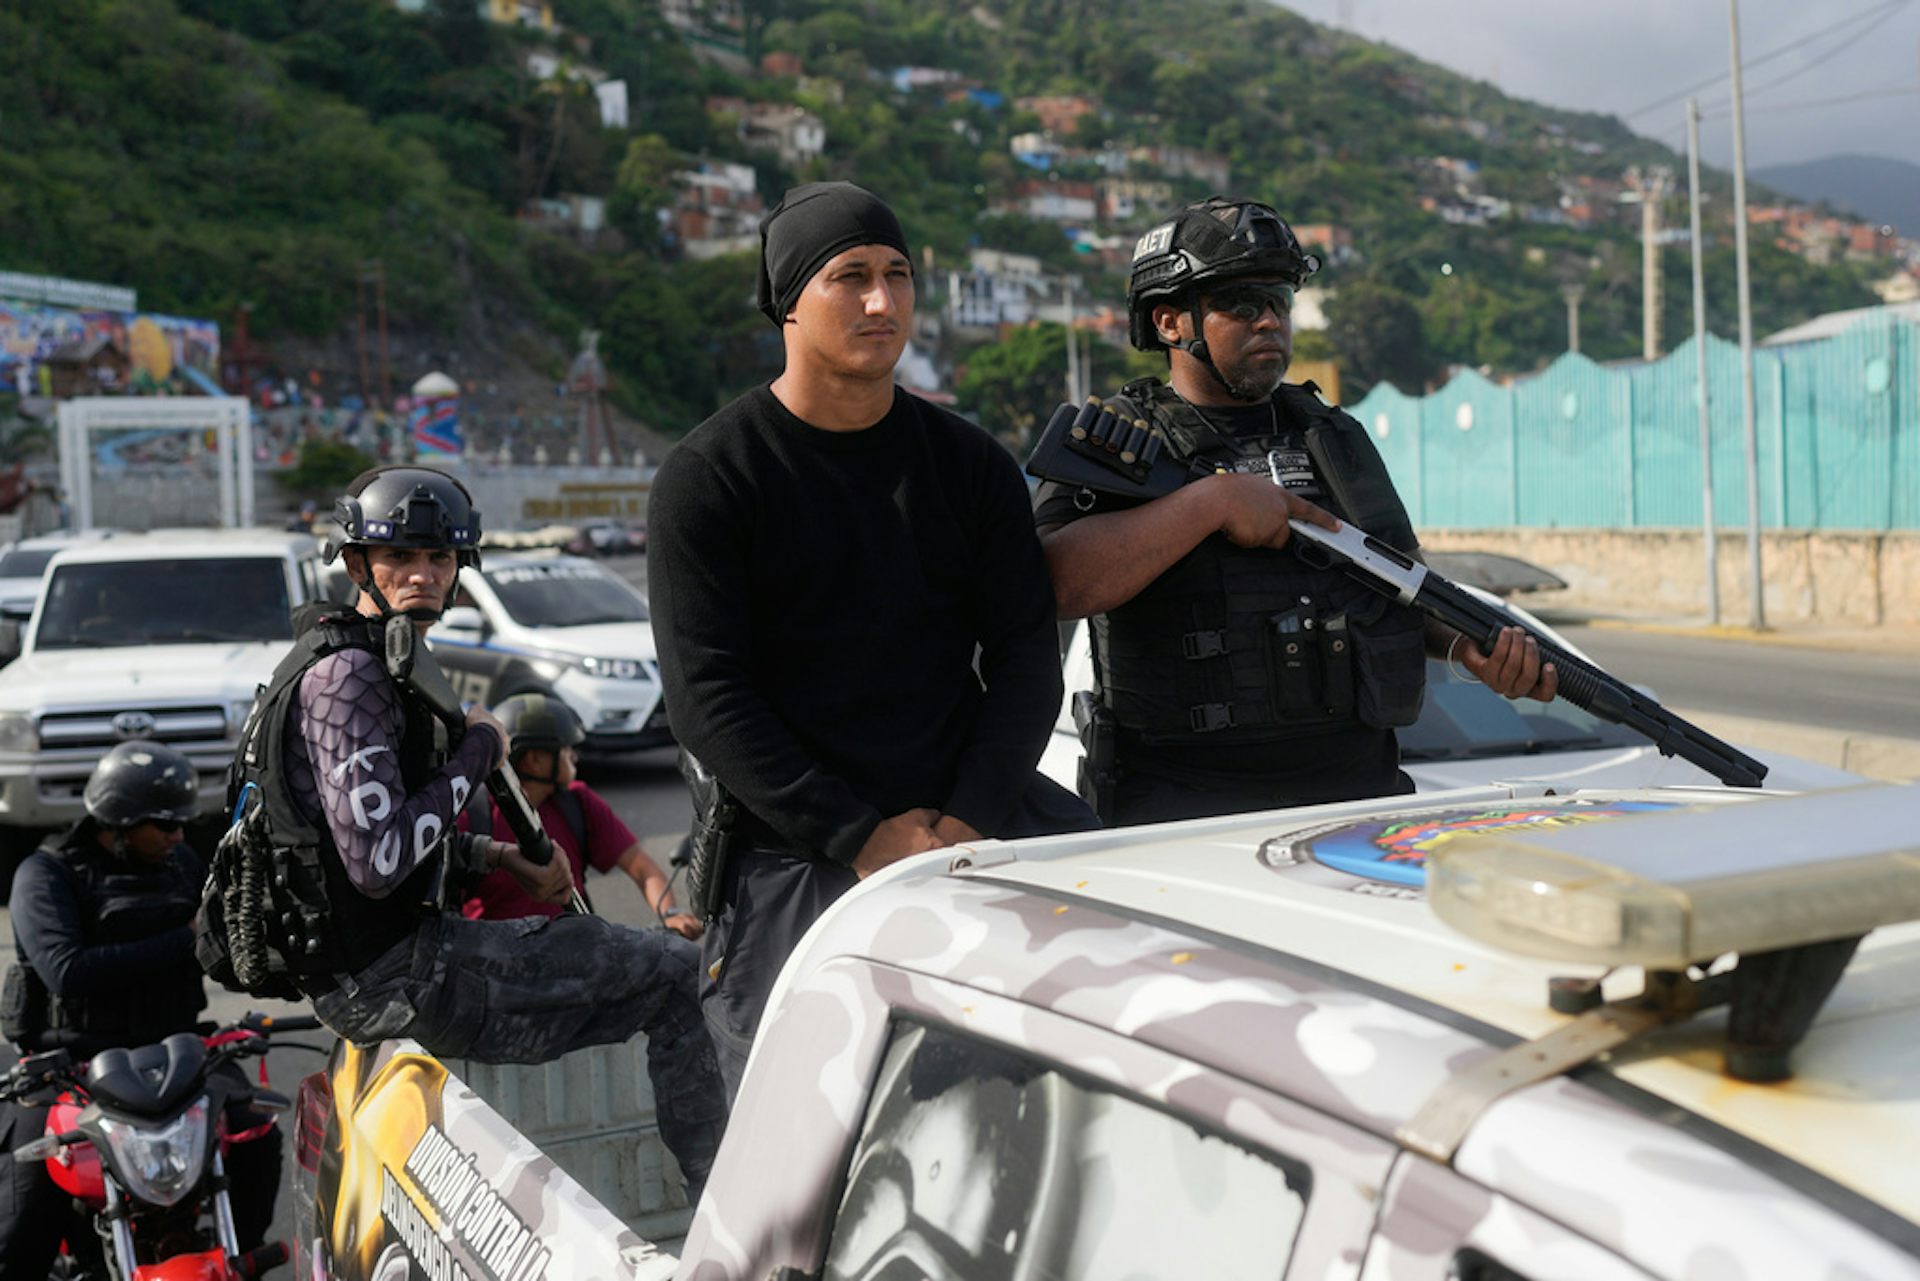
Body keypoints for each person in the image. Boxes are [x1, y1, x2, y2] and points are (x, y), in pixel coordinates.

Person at [648, 181, 1093, 1100]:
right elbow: (709, 700)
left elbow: (1022, 654)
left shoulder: (967, 464)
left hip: (970, 824)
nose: (884, 302)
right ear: (788, 303)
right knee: (805, 1125)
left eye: (898, 276)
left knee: (1062, 1083)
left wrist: (968, 813)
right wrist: (860, 834)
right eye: (850, 277)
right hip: (798, 852)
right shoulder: (710, 477)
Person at [224, 465, 723, 1189]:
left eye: (439, 558)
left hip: (379, 959)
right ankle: (720, 1205)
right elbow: (379, 858)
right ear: (358, 562)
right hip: (393, 974)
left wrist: (499, 855)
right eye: (400, 557)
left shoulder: (363, 655)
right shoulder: (350, 677)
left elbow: (352, 843)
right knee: (681, 977)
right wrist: (481, 749)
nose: (422, 574)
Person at [1033, 196, 1557, 826]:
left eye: (1279, 301)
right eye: (1242, 304)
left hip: (1357, 797)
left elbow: (1399, 586)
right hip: (1181, 813)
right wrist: (1212, 502)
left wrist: (1466, 649)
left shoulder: (1332, 436)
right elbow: (1055, 583)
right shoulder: (1122, 441)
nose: (1270, 322)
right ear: (1171, 322)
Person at [0, 742, 282, 1275]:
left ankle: (237, 1259)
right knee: (21, 1220)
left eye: (182, 825)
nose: (179, 837)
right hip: (70, 1068)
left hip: (176, 1054)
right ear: (117, 823)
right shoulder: (46, 874)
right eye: (165, 826)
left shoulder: (178, 863)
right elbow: (66, 970)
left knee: (255, 1135)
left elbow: (220, 946)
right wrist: (187, 937)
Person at [460, 692, 700, 938]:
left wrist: (671, 914)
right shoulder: (473, 815)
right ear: (534, 760)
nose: (574, 755)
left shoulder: (577, 802)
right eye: (564, 749)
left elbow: (641, 868)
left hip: (573, 958)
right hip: (493, 964)